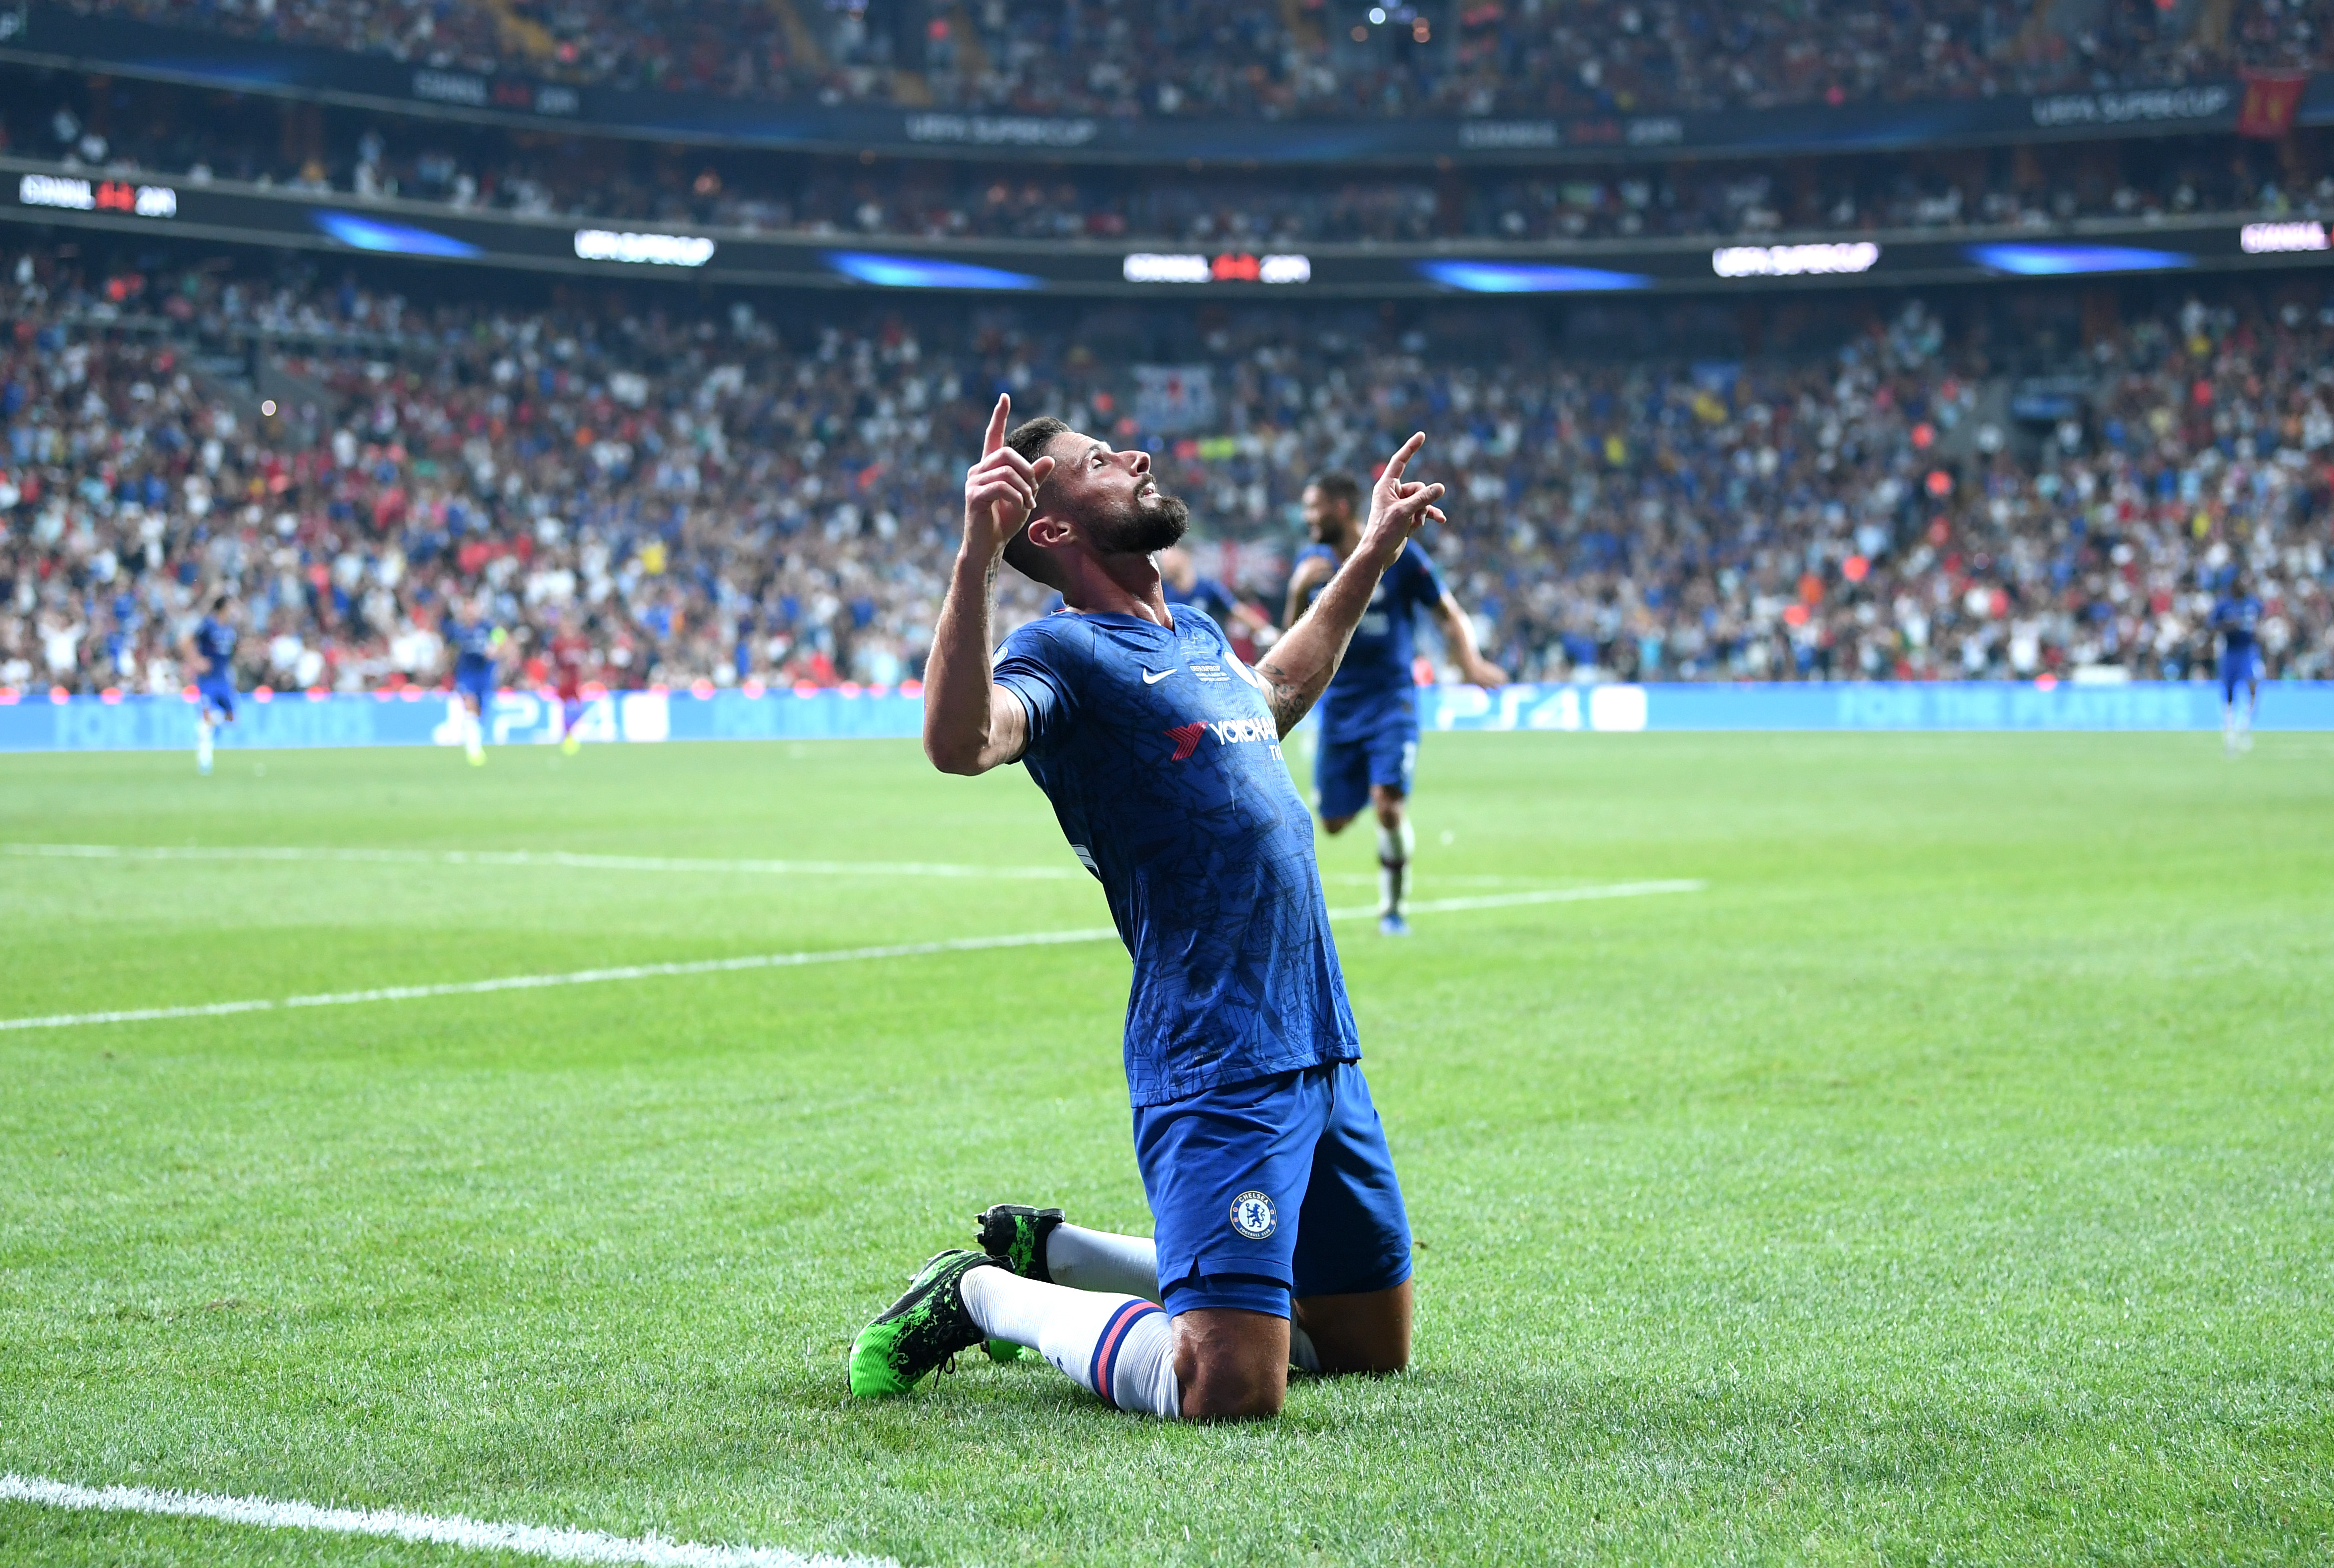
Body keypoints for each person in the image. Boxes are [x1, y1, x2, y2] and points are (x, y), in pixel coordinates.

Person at [847, 395, 1447, 1421]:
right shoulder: (1063, 654)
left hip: (1316, 1033)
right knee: (1226, 1386)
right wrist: (971, 561)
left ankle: (1063, 1250)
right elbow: (963, 742)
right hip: (1216, 1048)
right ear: (1051, 528)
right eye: (1096, 460)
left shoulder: (1197, 631)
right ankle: (986, 1294)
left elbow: (1275, 694)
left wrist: (1374, 551)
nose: (1135, 454)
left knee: (1361, 1345)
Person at [1283, 471, 1507, 935]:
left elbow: (1448, 613)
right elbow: (1291, 639)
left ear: (1340, 509)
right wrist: (1295, 592)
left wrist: (1470, 662)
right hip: (1338, 705)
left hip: (1391, 700)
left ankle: (1392, 910)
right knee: (1333, 823)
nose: (1307, 518)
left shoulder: (1398, 556)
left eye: (1313, 507)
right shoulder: (1311, 565)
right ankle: (1373, 783)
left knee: (1388, 805)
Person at [1160, 543, 1275, 645]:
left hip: (1208, 651)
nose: (1164, 561)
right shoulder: (1162, 589)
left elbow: (1237, 611)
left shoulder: (1208, 587)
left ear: (1184, 556)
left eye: (1169, 556)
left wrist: (1267, 631)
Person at [179, 592, 238, 776]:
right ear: (222, 608)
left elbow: (231, 653)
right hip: (207, 681)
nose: (233, 610)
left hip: (223, 679)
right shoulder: (208, 625)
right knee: (206, 716)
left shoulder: (230, 630)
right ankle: (205, 759)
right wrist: (196, 662)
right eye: (230, 606)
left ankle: (205, 728)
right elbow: (187, 641)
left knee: (231, 718)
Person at [444, 594, 504, 766]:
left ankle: (473, 740)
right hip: (467, 673)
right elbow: (451, 649)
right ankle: (474, 751)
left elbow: (501, 637)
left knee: (481, 713)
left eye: (473, 609)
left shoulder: (487, 627)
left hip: (485, 673)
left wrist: (494, 648)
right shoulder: (457, 629)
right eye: (467, 609)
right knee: (469, 704)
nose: (470, 613)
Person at [2211, 572, 2264, 755]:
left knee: (2253, 685)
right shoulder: (2224, 605)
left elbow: (2261, 620)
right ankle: (2230, 731)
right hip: (2231, 652)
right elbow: (2212, 626)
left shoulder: (2252, 603)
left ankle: (2246, 724)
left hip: (2248, 650)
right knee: (2229, 693)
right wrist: (2228, 625)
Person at [549, 612, 593, 755]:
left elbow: (587, 660)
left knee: (580, 709)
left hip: (577, 681)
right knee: (563, 710)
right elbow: (554, 663)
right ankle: (567, 736)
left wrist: (587, 675)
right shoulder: (558, 643)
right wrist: (556, 677)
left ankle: (572, 733)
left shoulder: (582, 642)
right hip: (564, 681)